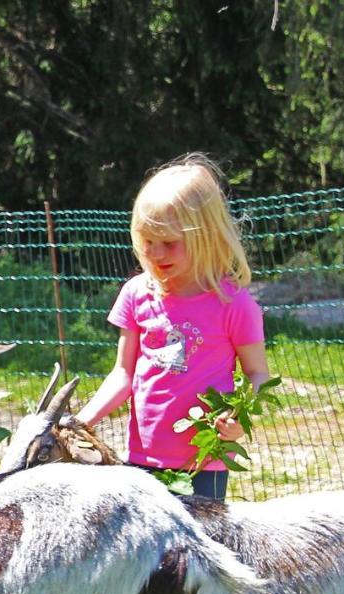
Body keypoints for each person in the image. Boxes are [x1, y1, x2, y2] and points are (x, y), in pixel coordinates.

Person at [72, 152, 272, 500]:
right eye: (148, 241)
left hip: (203, 461)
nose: (156, 253)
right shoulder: (137, 294)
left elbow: (258, 374)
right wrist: (79, 423)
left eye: (169, 243)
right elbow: (123, 374)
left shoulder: (234, 304)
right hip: (141, 458)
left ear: (205, 237)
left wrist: (238, 417)